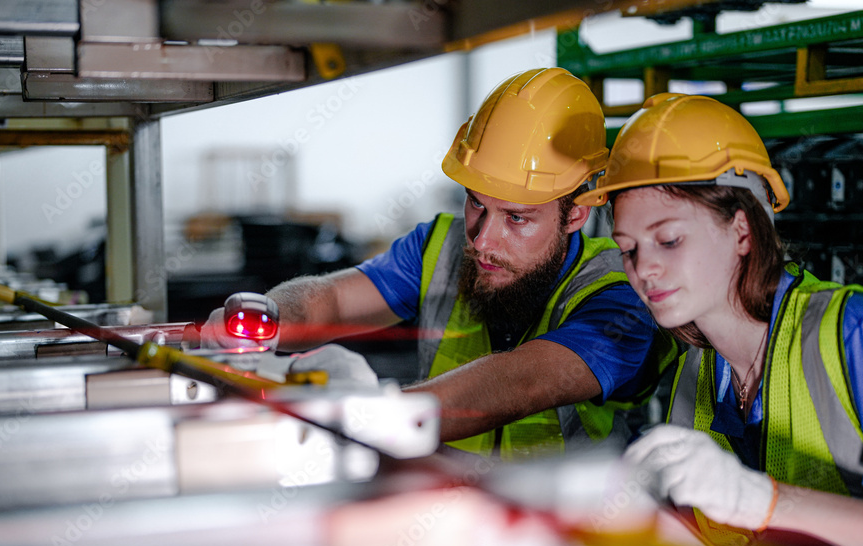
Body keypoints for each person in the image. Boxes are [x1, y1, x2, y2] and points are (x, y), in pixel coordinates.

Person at [201, 67, 676, 460]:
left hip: (570, 536)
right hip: (445, 517)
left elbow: (526, 380)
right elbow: (332, 299)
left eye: (517, 217)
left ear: (576, 213)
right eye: (476, 204)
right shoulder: (440, 246)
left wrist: (375, 415)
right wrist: (266, 316)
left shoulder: (617, 294)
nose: (482, 240)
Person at [577, 92, 863, 546]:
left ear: (743, 231)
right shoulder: (698, 370)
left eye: (668, 240)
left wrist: (764, 502)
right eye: (628, 248)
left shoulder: (848, 333)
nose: (643, 268)